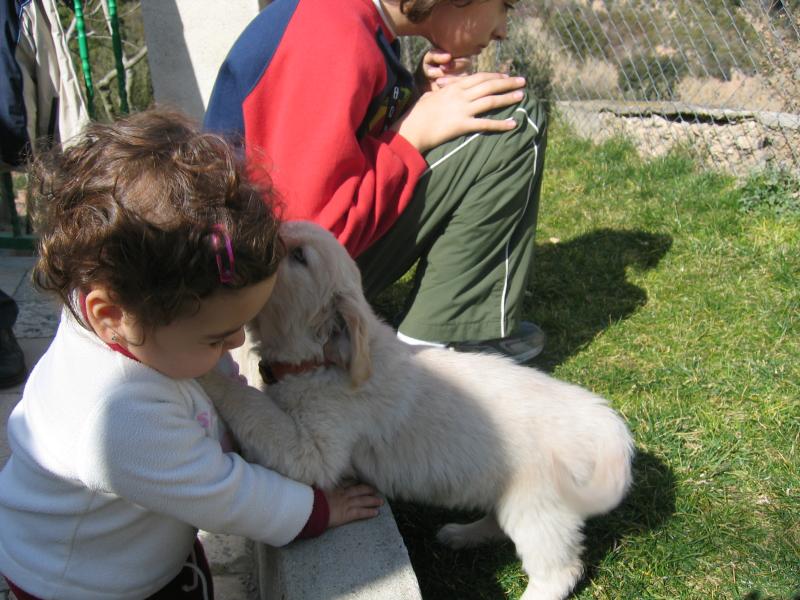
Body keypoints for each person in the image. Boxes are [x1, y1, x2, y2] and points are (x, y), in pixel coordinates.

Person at [0, 109, 382, 600]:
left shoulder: (147, 330)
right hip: (78, 581)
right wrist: (314, 510)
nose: (236, 346)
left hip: (135, 540)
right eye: (216, 338)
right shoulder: (118, 417)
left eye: (237, 329)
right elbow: (224, 494)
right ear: (111, 315)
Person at [204, 0, 548, 363]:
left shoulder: (349, 19)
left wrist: (416, 93)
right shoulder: (332, 33)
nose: (502, 30)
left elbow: (344, 149)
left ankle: (453, 329)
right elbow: (309, 233)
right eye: (503, 6)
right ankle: (446, 347)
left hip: (264, 271)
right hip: (268, 286)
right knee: (515, 118)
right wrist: (411, 134)